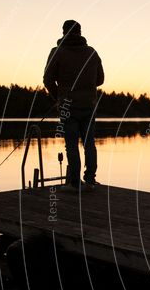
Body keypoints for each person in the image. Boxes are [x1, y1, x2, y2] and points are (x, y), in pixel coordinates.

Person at [43, 20, 105, 190]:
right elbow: (100, 80)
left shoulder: (57, 52)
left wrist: (58, 97)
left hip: (67, 105)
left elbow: (47, 79)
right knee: (89, 143)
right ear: (80, 32)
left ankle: (75, 183)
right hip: (89, 105)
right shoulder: (92, 52)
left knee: (71, 144)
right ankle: (90, 180)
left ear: (63, 32)